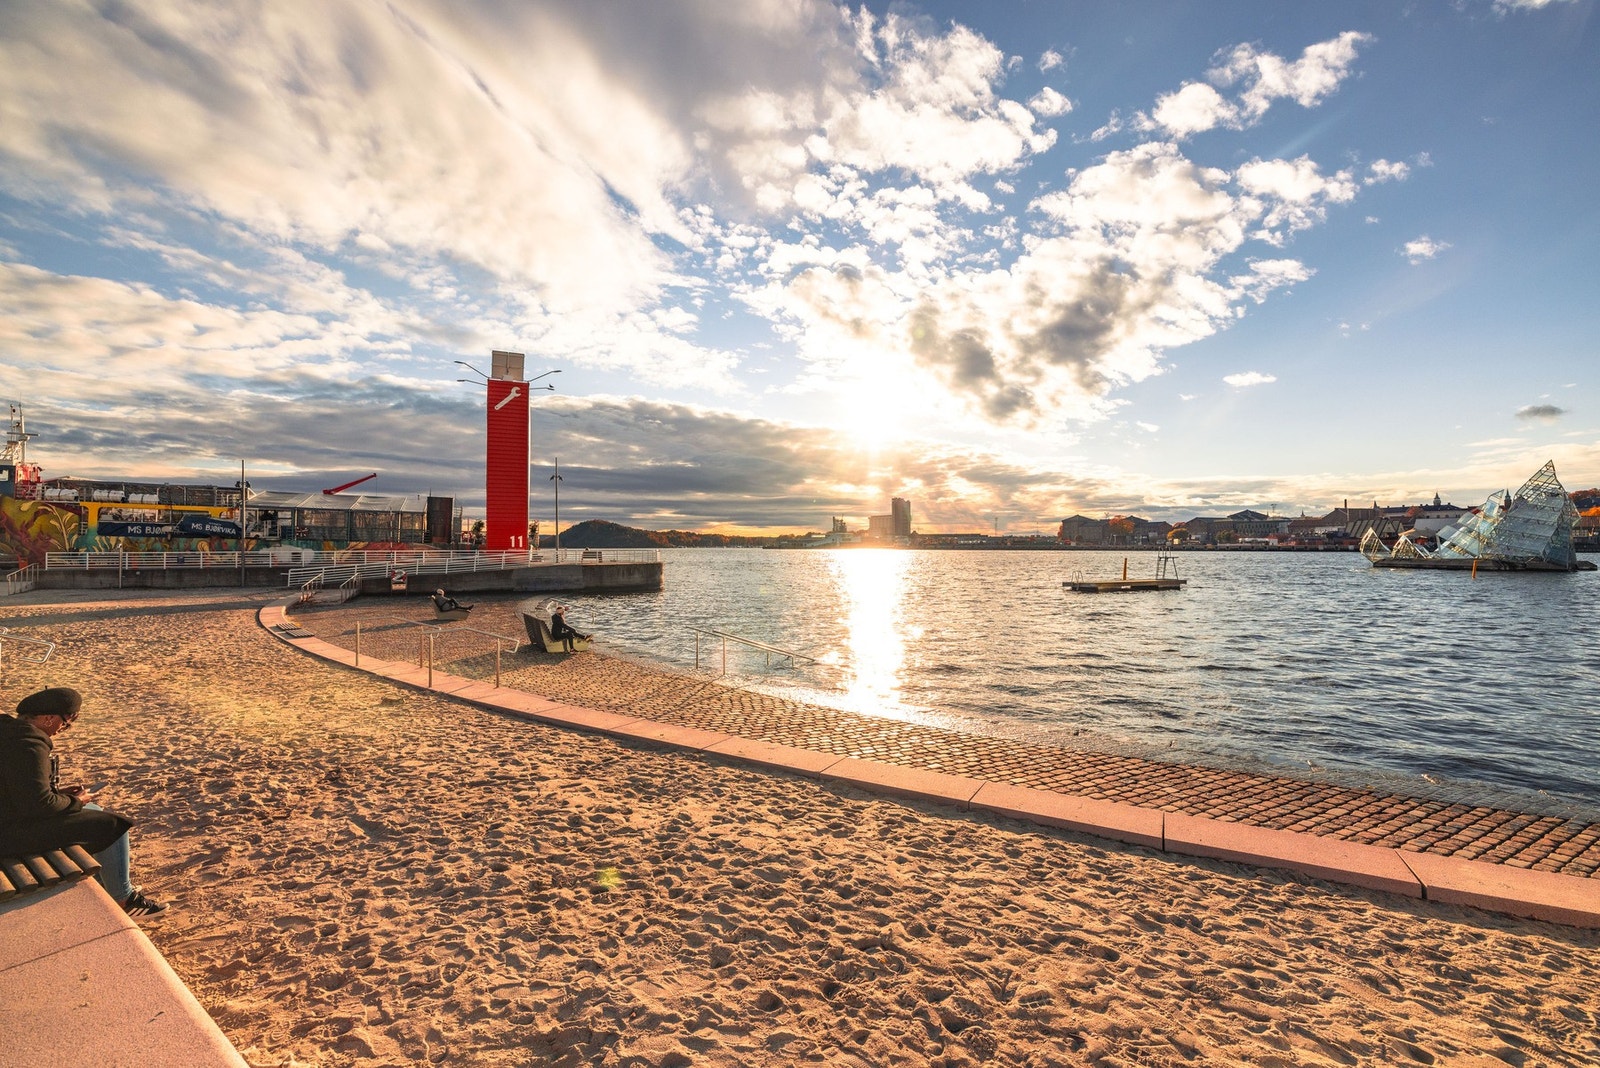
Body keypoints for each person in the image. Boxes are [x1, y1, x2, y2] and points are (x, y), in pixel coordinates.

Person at [0, 687, 166, 916]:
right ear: (48, 718)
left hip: (9, 818)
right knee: (112, 825)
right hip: (8, 834)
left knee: (93, 809)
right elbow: (39, 805)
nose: (63, 730)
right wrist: (74, 800)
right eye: (65, 723)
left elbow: (17, 788)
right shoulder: (30, 744)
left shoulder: (8, 730)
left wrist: (60, 793)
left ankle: (109, 885)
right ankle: (124, 899)